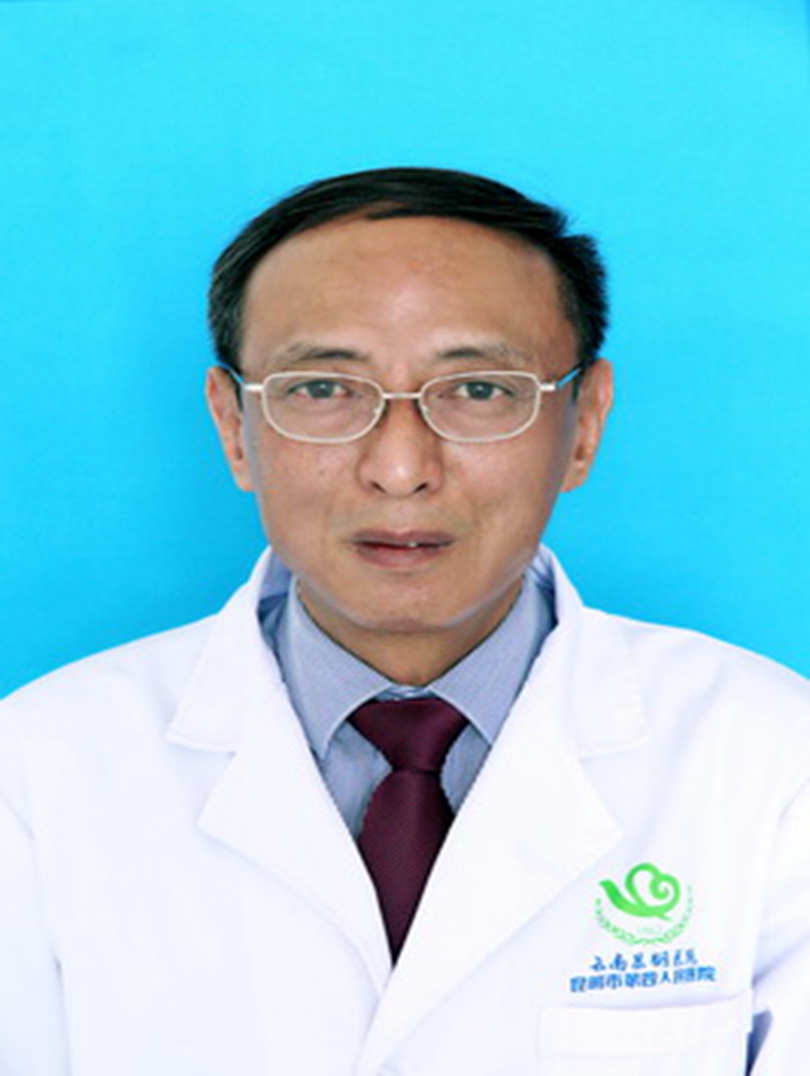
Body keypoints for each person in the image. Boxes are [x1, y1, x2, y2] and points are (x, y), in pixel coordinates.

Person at [1, 167, 808, 1076]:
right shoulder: (36, 768)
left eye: (479, 391)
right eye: (321, 389)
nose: (398, 468)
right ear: (233, 428)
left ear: (583, 424)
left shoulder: (773, 758)